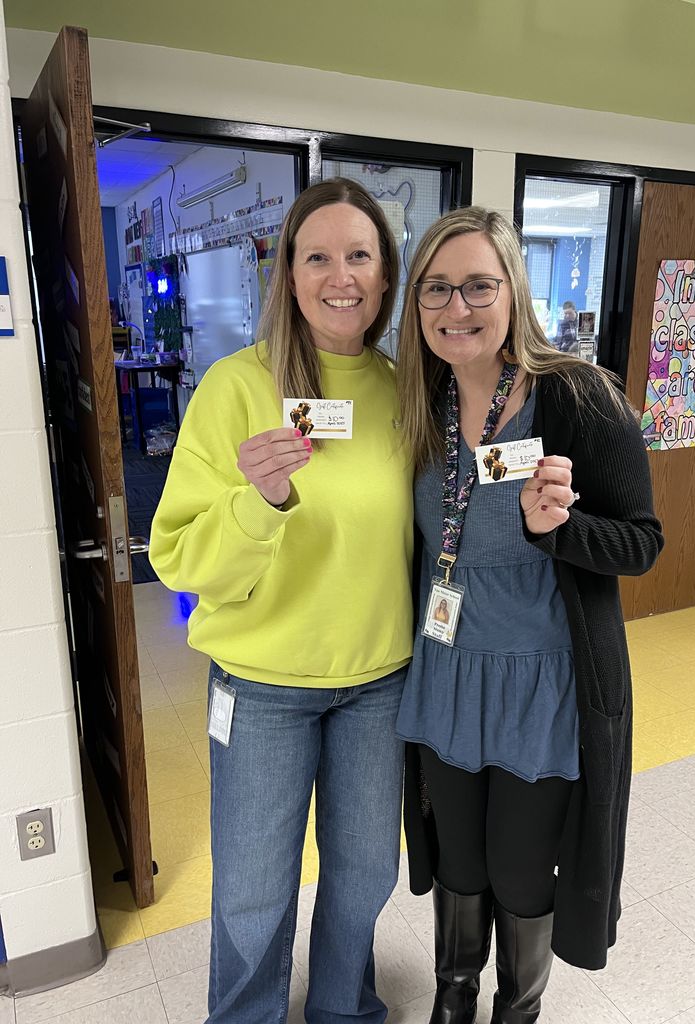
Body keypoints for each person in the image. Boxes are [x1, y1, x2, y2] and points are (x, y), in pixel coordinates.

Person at [149, 178, 414, 1024]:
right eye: (318, 257)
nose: (341, 275)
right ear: (289, 275)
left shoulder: (404, 390)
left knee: (368, 872)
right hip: (262, 689)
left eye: (360, 255)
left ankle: (344, 1009)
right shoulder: (235, 387)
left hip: (379, 682)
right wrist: (256, 502)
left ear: (384, 274)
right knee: (255, 892)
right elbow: (177, 557)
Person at [394, 207, 663, 1023]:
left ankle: (518, 1010)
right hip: (446, 673)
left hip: (541, 686)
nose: (458, 307)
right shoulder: (422, 405)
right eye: (437, 288)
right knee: (459, 863)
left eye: (479, 284)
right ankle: (454, 996)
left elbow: (644, 543)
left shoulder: (578, 396)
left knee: (517, 871)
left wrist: (564, 529)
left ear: (514, 291)